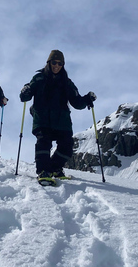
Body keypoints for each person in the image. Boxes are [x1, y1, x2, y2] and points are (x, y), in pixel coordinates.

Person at [19, 50, 96, 180]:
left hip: (62, 120)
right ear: (48, 63)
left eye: (60, 63)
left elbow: (77, 102)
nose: (57, 66)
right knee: (44, 143)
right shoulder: (38, 78)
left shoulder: (67, 82)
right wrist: (25, 91)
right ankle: (43, 171)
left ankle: (54, 168)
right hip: (43, 118)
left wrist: (87, 99)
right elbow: (25, 96)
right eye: (54, 62)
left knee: (67, 146)